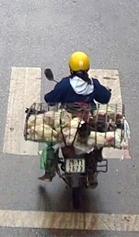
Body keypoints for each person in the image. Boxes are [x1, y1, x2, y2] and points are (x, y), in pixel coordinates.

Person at [39, 51, 112, 182]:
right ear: (87, 69)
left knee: (52, 140)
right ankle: (97, 157)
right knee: (101, 131)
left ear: (70, 69)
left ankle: (49, 171)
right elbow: (105, 98)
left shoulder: (65, 84)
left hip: (67, 121)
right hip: (88, 121)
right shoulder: (93, 84)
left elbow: (50, 100)